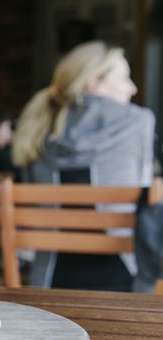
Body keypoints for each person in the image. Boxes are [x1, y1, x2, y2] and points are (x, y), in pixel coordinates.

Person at [11, 40, 156, 292]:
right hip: (124, 283)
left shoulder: (38, 125)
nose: (132, 88)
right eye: (124, 78)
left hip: (48, 282)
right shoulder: (138, 122)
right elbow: (145, 193)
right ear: (92, 82)